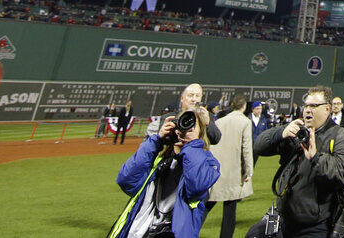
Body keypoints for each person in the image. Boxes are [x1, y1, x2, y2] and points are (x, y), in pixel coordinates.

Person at [254, 85, 344, 238]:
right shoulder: (297, 131)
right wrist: (280, 133)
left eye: (314, 106)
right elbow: (259, 146)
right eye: (306, 105)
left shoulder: (339, 136)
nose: (308, 109)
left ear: (327, 109)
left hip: (315, 226)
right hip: (284, 220)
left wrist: (315, 157)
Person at [108, 109, 220, 238]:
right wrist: (156, 140)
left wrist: (192, 144)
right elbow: (126, 180)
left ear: (200, 132)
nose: (185, 130)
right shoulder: (158, 158)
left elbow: (197, 186)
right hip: (136, 232)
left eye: (192, 126)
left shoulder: (208, 162)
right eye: (182, 124)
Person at [208, 94, 254, 238]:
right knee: (230, 210)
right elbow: (246, 149)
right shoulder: (245, 122)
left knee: (207, 204)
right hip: (234, 171)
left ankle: (190, 231)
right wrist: (249, 171)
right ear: (244, 106)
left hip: (218, 170)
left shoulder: (220, 121)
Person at [147, 83, 222, 145]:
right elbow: (163, 142)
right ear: (182, 98)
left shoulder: (207, 116)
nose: (194, 99)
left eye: (197, 96)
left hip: (197, 158)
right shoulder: (170, 117)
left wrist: (207, 123)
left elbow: (215, 139)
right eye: (190, 95)